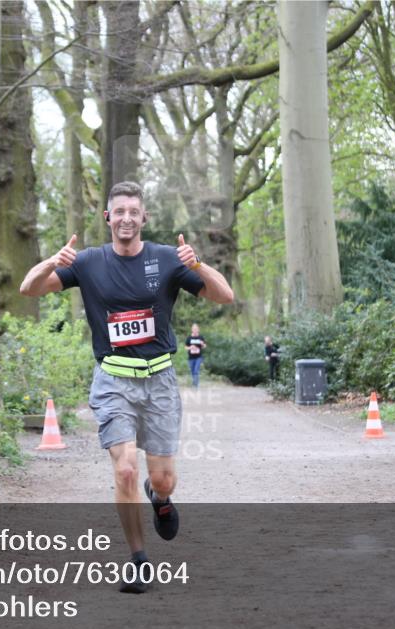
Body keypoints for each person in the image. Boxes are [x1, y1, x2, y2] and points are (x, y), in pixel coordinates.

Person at [19, 181, 234, 593]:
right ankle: (138, 559)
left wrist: (198, 264)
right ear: (108, 218)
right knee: (125, 469)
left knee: (163, 478)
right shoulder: (87, 262)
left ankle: (161, 496)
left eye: (133, 212)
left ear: (144, 218)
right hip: (113, 378)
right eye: (119, 212)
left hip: (160, 381)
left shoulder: (168, 259)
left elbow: (224, 296)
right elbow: (28, 288)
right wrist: (51, 261)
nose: (126, 219)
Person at [184, 323, 207, 388]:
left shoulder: (200, 337)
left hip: (198, 357)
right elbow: (185, 347)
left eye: (196, 329)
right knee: (192, 371)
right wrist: (190, 347)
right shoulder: (189, 338)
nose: (195, 330)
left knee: (196, 371)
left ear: (198, 330)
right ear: (192, 330)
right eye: (194, 329)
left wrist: (202, 344)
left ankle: (195, 385)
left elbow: (204, 346)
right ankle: (194, 383)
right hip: (191, 358)